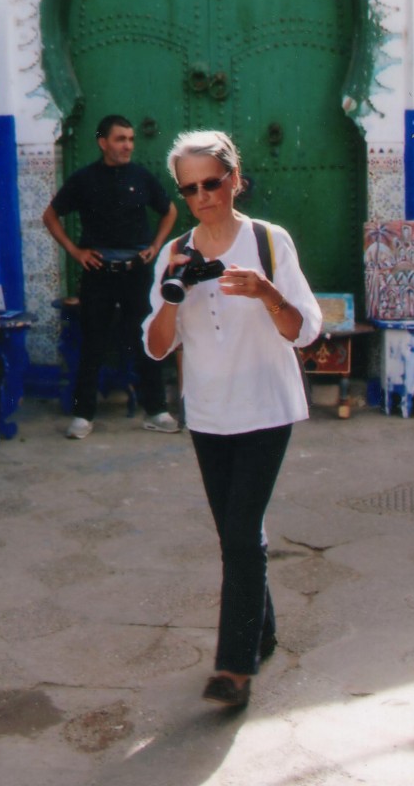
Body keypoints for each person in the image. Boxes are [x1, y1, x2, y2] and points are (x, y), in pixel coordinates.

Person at [143, 129, 322, 708]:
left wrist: (268, 292)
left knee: (242, 534)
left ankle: (234, 668)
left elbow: (306, 330)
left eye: (212, 183)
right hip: (209, 413)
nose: (203, 196)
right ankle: (262, 633)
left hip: (266, 406)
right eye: (189, 188)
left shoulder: (270, 242)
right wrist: (172, 292)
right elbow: (155, 347)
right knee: (237, 535)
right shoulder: (177, 253)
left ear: (235, 179)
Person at [43, 114, 180, 440]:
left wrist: (156, 246)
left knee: (146, 340)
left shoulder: (141, 177)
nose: (127, 145)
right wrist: (75, 252)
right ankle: (82, 416)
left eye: (131, 139)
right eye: (120, 139)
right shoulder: (84, 179)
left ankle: (156, 410)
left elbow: (169, 211)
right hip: (98, 274)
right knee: (93, 343)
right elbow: (50, 215)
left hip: (136, 273)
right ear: (103, 142)